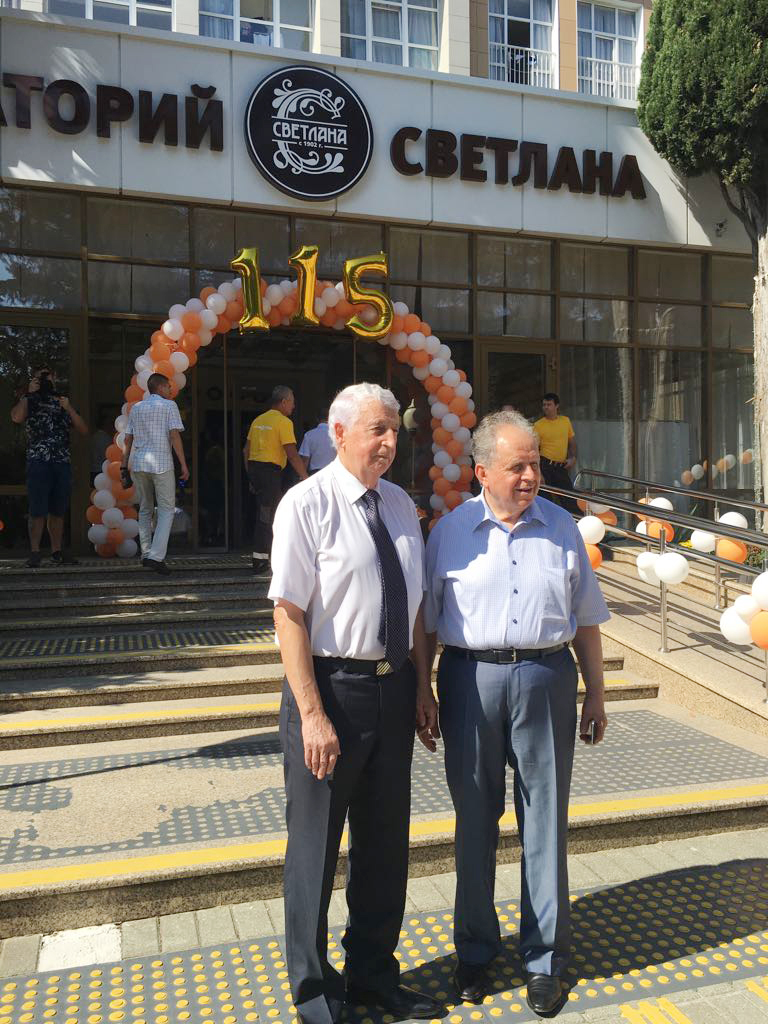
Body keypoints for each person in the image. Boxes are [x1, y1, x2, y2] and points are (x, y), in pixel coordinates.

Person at [424, 409, 609, 1018]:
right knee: (474, 822)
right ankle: (475, 951)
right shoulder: (449, 532)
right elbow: (427, 622)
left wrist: (596, 691)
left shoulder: (562, 529)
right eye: (517, 466)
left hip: (547, 677)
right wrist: (423, 690)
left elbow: (586, 618)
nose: (531, 475)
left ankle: (545, 959)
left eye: (534, 464)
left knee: (545, 820)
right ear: (482, 471)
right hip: (468, 680)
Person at [269, 382, 440, 1024]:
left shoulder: (398, 504)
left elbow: (413, 602)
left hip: (393, 688)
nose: (391, 442)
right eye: (377, 430)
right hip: (330, 692)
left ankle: (372, 975)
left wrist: (421, 686)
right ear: (338, 433)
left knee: (385, 845)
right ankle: (314, 992)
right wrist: (312, 714)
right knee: (315, 849)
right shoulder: (305, 503)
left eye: (395, 430)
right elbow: (289, 613)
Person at [10, 366, 88, 568]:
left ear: (55, 378)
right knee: (37, 509)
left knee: (58, 510)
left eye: (49, 376)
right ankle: (35, 552)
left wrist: (68, 408)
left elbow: (83, 429)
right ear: (34, 379)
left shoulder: (61, 401)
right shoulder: (30, 400)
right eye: (41, 377)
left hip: (61, 461)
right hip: (38, 461)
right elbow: (16, 417)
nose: (46, 380)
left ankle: (56, 551)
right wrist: (28, 394)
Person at [121, 373, 189, 575]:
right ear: (160, 388)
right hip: (162, 463)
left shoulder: (137, 408)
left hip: (140, 463)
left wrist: (124, 466)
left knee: (145, 508)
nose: (170, 390)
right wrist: (183, 464)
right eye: (168, 387)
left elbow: (128, 439)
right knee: (167, 509)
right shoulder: (169, 406)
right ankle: (156, 556)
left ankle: (146, 552)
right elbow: (174, 436)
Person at [243, 385, 308, 575]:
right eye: (292, 402)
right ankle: (260, 559)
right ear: (284, 402)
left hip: (255, 469)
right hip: (270, 472)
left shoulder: (258, 420)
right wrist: (305, 477)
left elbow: (246, 450)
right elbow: (292, 453)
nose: (293, 406)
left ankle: (264, 555)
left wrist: (250, 475)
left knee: (266, 512)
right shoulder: (284, 422)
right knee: (268, 514)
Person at [533, 392, 578, 514]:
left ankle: (575, 524)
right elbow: (534, 449)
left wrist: (573, 458)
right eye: (544, 405)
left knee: (570, 500)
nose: (546, 407)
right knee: (545, 502)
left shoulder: (565, 421)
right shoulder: (538, 425)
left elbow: (572, 442)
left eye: (549, 404)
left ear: (556, 406)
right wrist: (539, 473)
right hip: (545, 466)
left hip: (561, 467)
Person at [298, 408, 335, 474]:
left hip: (315, 473)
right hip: (334, 473)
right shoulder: (337, 435)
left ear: (317, 419)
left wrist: (302, 476)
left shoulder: (309, 435)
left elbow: (305, 459)